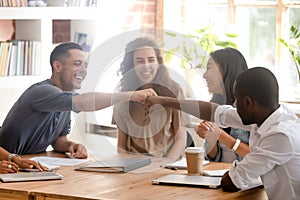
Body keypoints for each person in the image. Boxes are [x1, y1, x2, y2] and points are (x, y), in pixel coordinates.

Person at [145, 67, 300, 200]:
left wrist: (233, 171)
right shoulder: (269, 115)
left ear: (248, 102)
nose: (235, 106)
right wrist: (163, 101)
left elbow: (231, 182)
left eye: (237, 101)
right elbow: (213, 111)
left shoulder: (280, 136)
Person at [0, 42, 156, 158]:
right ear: (57, 67)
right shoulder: (42, 92)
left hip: (29, 164)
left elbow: (58, 140)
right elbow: (82, 102)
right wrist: (130, 95)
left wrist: (71, 145)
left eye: (85, 65)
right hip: (7, 163)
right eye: (77, 64)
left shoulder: (64, 97)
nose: (83, 70)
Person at [113, 37, 190, 160]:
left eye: (151, 59)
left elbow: (181, 138)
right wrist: (125, 167)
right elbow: (122, 145)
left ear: (158, 63)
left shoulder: (174, 91)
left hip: (166, 166)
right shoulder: (124, 96)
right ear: (131, 66)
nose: (146, 66)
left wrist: (164, 165)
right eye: (139, 61)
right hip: (134, 167)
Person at [196, 48, 250, 162]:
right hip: (219, 174)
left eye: (209, 68)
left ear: (226, 70)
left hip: (247, 176)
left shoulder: (252, 107)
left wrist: (221, 135)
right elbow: (212, 158)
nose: (204, 75)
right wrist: (211, 139)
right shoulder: (215, 105)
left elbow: (258, 157)